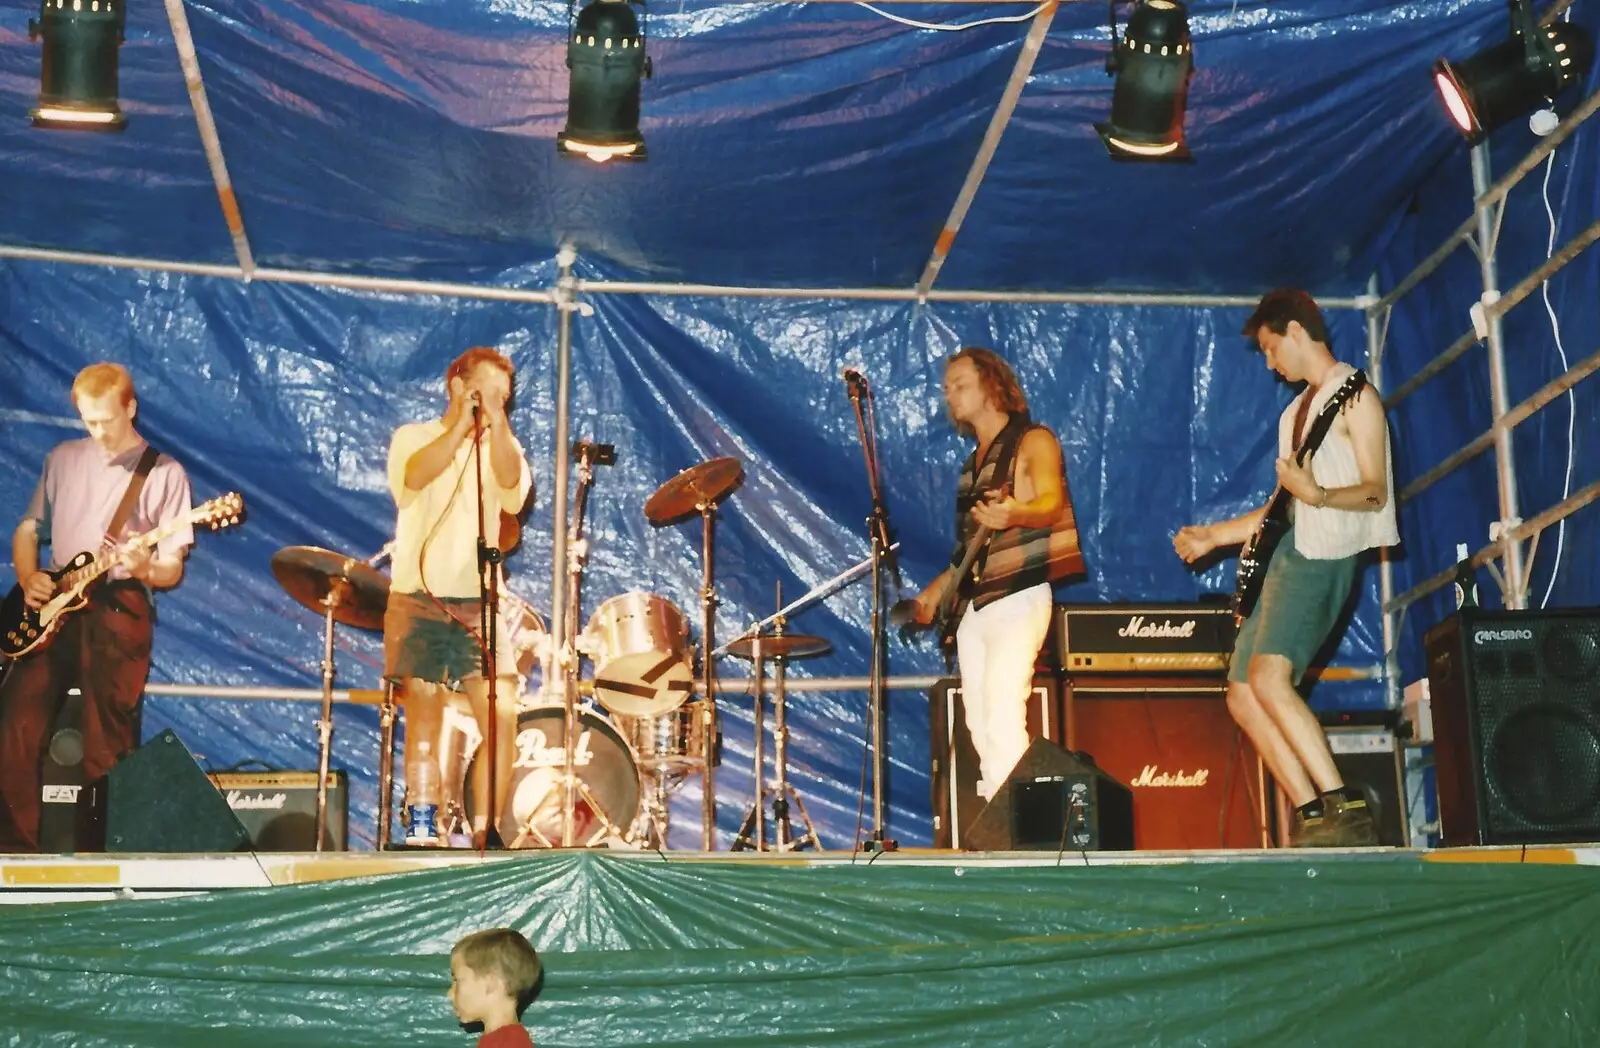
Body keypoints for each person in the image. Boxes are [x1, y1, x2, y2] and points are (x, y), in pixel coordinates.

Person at [1174, 288, 1398, 848]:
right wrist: (1215, 538)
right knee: (1242, 693)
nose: (1271, 364)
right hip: (1290, 552)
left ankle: (1347, 809)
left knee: (1270, 679)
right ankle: (1314, 814)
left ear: (1297, 331)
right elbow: (1280, 509)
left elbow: (1376, 493)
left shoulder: (1356, 396)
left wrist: (1319, 494)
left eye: (1272, 349)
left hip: (1324, 555)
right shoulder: (1296, 414)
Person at [0, 363, 194, 852]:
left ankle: (101, 860)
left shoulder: (163, 472)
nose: (97, 431)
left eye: (106, 419)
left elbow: (171, 568)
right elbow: (28, 530)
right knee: (15, 730)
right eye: (88, 420)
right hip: (52, 603)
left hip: (119, 603)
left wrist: (146, 568)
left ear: (130, 407)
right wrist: (28, 578)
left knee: (108, 740)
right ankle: (14, 856)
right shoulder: (62, 459)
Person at [909, 346, 1085, 800]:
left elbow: (1049, 503)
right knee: (978, 718)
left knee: (1005, 710)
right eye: (946, 389)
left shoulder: (1034, 440)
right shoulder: (974, 465)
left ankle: (1021, 829)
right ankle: (1000, 808)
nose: (950, 396)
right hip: (977, 605)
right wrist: (931, 597)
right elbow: (967, 552)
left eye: (960, 385)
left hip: (1018, 595)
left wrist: (1015, 514)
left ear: (992, 384)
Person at [386, 347, 533, 848]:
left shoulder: (500, 446)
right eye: (487, 391)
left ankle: (486, 828)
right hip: (420, 596)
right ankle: (424, 825)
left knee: (503, 713)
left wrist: (495, 423)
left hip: (479, 602)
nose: (496, 403)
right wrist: (460, 429)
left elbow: (513, 486)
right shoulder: (414, 437)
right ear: (456, 385)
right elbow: (412, 478)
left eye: (504, 397)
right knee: (424, 712)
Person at [448, 927, 543, 1047]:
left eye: (457, 980)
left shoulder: (507, 1044)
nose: (450, 994)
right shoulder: (503, 1040)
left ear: (491, 982)